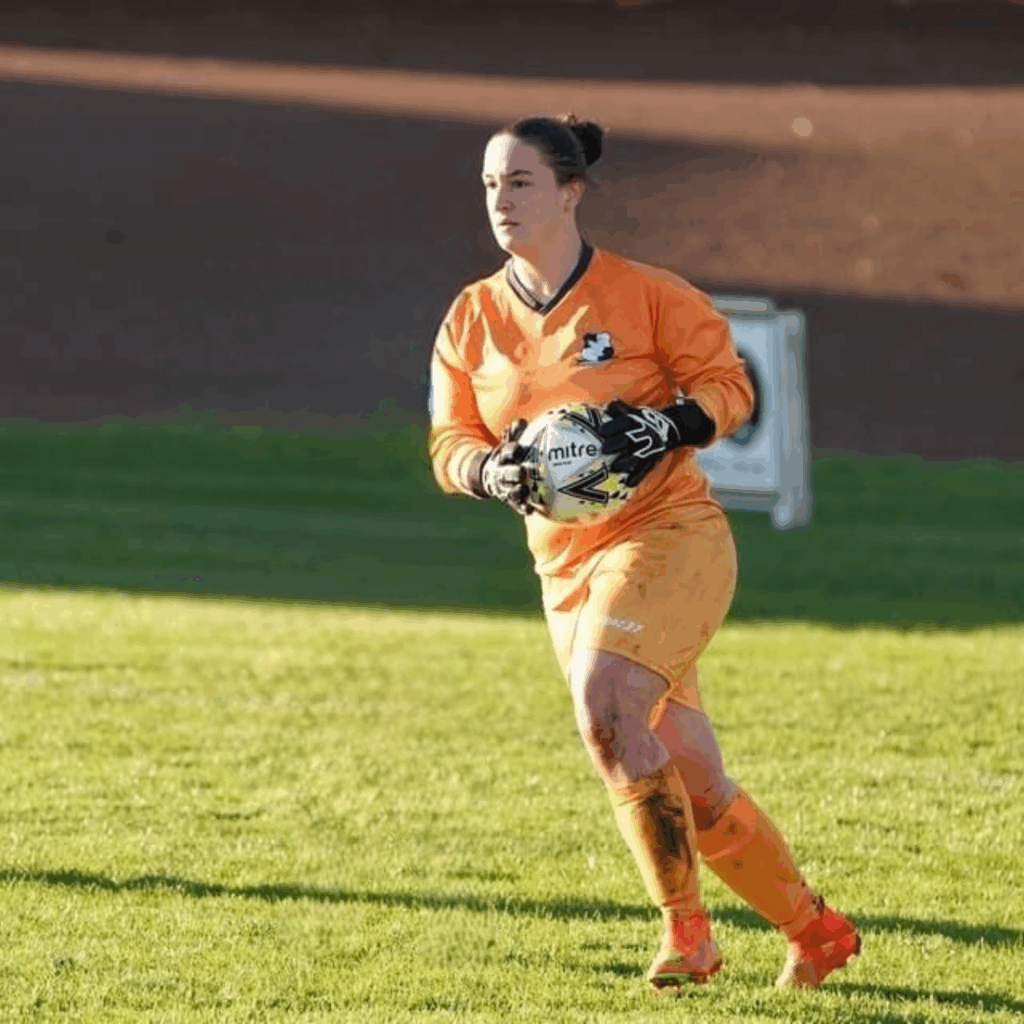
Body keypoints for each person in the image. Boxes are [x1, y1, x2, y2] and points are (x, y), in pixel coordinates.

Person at [428, 113, 860, 992]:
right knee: (691, 785)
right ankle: (817, 931)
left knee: (606, 706)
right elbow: (448, 444)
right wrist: (493, 471)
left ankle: (687, 938)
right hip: (567, 569)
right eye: (488, 185)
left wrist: (662, 422)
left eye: (520, 183)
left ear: (571, 192)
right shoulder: (472, 316)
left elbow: (730, 387)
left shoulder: (648, 294)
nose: (500, 201)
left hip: (670, 538)